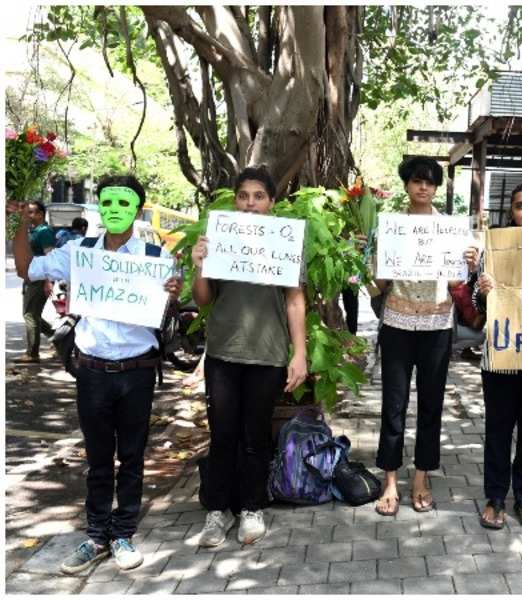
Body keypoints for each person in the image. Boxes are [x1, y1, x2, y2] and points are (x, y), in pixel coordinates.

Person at [10, 175, 182, 573]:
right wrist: (20, 221)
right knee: (98, 458)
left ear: (138, 210)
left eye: (124, 204)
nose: (115, 210)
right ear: (100, 206)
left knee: (133, 456)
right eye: (108, 202)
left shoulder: (156, 257)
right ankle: (96, 536)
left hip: (138, 371)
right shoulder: (78, 252)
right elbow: (25, 268)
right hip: (92, 372)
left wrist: (173, 289)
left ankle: (123, 534)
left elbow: (167, 304)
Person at [191, 165, 308, 547]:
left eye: (259, 196)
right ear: (235, 200)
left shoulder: (286, 241)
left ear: (272, 202)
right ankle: (216, 511)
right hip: (224, 351)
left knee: (256, 435)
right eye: (244, 196)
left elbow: (294, 300)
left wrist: (300, 352)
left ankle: (251, 507)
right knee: (222, 434)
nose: (250, 203)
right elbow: (203, 299)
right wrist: (200, 266)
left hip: (268, 354)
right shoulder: (219, 239)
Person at [373, 156, 473, 516]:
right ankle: (389, 481)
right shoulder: (390, 228)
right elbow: (378, 283)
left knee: (431, 406)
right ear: (406, 185)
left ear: (437, 187)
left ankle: (420, 478)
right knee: (393, 405)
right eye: (417, 180)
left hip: (436, 327)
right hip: (397, 324)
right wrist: (377, 263)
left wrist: (468, 265)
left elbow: (456, 283)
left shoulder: (450, 230)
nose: (423, 187)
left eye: (430, 182)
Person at [465, 182, 522, 529]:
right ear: (512, 211)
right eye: (520, 205)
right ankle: (494, 498)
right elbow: (476, 306)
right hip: (501, 357)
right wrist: (482, 288)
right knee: (498, 429)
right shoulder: (495, 246)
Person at [16, 201, 56, 363]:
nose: (28, 215)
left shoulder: (44, 231)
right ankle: (58, 337)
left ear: (40, 214)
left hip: (39, 279)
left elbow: (50, 257)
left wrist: (48, 280)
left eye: (31, 212)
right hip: (31, 277)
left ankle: (32, 353)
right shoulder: (34, 230)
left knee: (30, 315)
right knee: (34, 315)